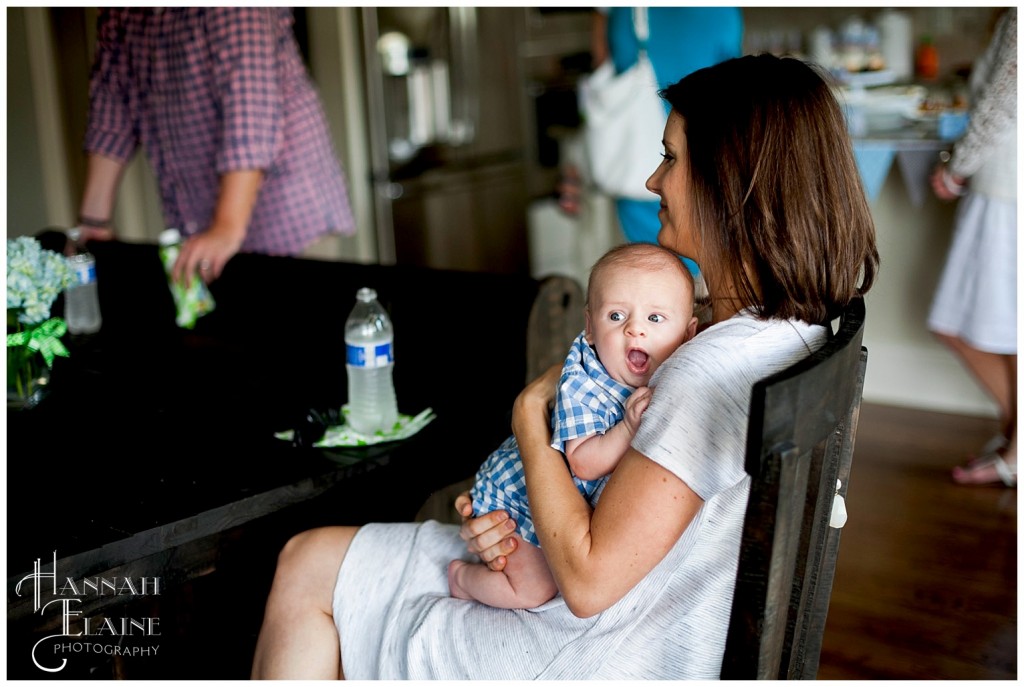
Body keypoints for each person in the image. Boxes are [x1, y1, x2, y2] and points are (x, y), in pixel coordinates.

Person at [250, 54, 878, 680]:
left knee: (308, 564)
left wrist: (529, 420)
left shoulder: (704, 372)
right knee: (314, 554)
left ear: (728, 180)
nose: (653, 182)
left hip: (586, 650)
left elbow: (585, 580)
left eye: (672, 158)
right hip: (625, 614)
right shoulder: (793, 327)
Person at [448, 243, 699, 609]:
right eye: (616, 316)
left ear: (689, 334)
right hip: (518, 500)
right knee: (534, 589)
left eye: (655, 319)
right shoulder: (584, 384)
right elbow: (582, 462)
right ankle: (462, 579)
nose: (634, 331)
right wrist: (627, 429)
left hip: (560, 507)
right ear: (590, 327)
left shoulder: (670, 378)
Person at [76, 8, 355, 285]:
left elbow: (248, 109)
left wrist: (226, 227)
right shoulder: (122, 11)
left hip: (283, 206)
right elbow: (112, 101)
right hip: (202, 209)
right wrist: (94, 221)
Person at [577, 7, 743, 276]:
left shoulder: (622, 13)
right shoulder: (722, 12)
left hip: (640, 155)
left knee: (649, 272)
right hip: (710, 159)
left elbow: (601, 58)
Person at [927, 8, 1016, 487]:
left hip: (1006, 186)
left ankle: (1018, 446)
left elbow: (1005, 100)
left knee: (1006, 328)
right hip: (1002, 184)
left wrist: (957, 166)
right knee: (970, 323)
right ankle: (1018, 436)